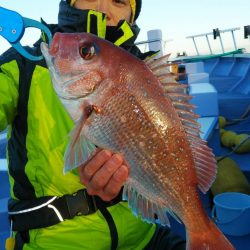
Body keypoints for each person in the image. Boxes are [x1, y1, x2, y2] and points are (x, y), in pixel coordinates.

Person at [0, 0, 186, 249]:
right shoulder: (22, 65)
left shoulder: (152, 74)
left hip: (145, 237)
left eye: (119, 0)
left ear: (132, 15)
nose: (101, 8)